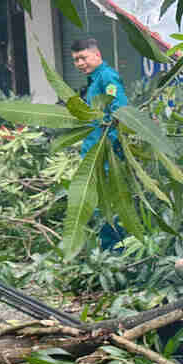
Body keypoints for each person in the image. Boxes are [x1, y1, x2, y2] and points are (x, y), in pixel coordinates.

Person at [71, 36, 129, 250]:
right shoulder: (95, 80)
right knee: (98, 205)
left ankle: (118, 252)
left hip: (104, 155)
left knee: (107, 205)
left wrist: (108, 147)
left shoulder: (107, 78)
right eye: (76, 60)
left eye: (83, 58)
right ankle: (109, 251)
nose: (79, 64)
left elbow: (120, 113)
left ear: (97, 55)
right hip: (94, 155)